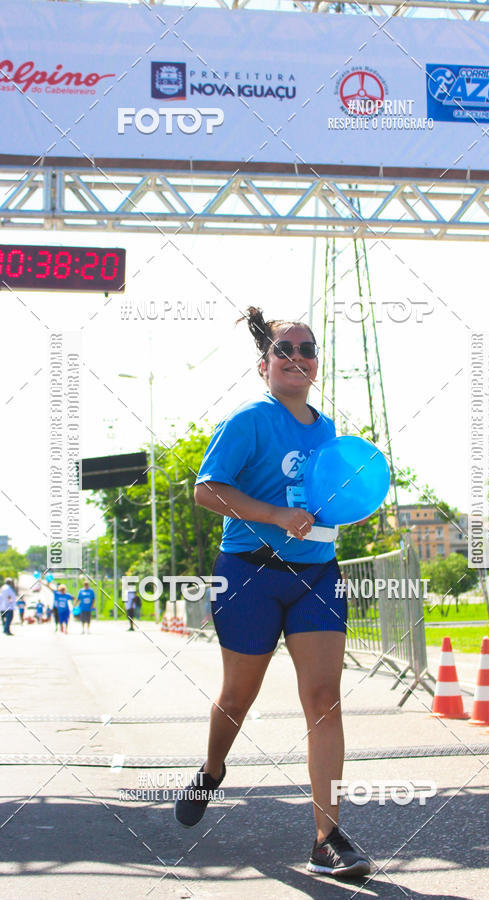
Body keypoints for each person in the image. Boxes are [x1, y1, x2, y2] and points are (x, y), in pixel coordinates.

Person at [174, 307, 370, 879]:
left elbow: (327, 498)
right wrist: (277, 515)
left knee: (323, 699)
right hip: (248, 574)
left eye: (306, 350)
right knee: (237, 696)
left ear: (315, 366)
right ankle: (212, 772)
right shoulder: (249, 420)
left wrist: (343, 507)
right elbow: (207, 490)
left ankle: (326, 837)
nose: (297, 357)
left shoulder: (328, 429)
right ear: (265, 366)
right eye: (284, 350)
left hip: (316, 575)